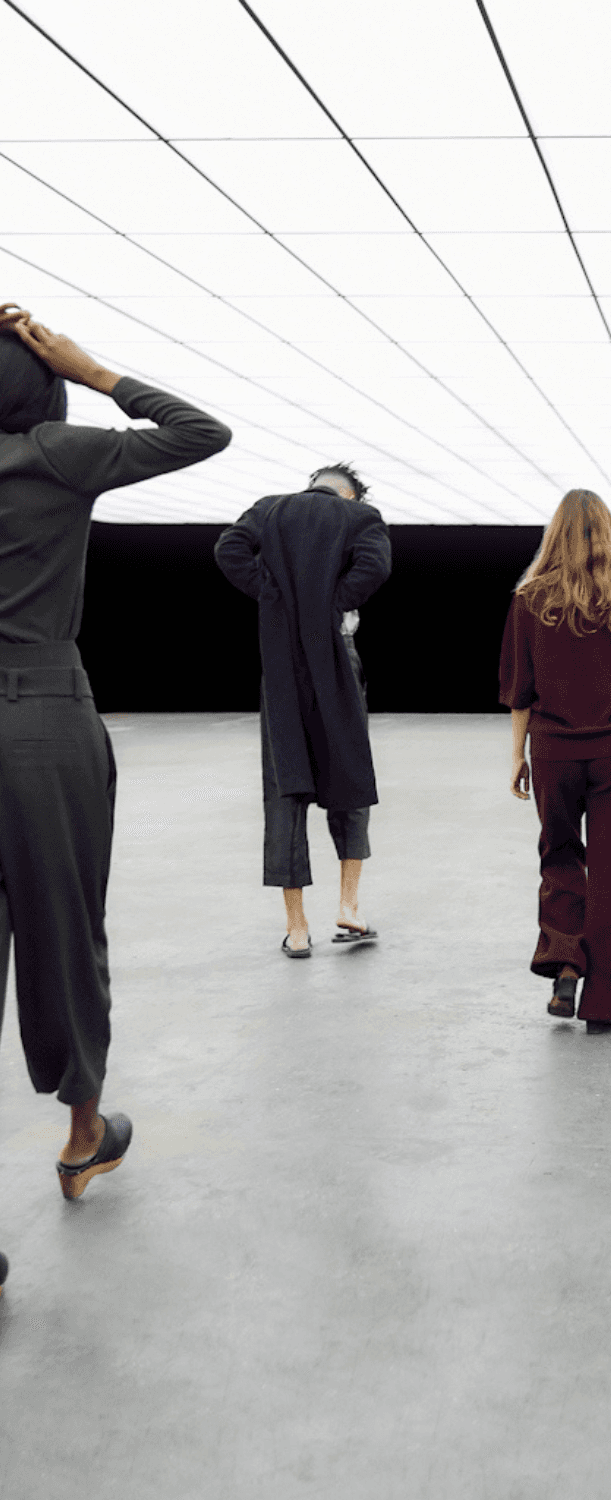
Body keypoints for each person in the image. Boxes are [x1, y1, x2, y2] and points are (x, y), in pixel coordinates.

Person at [0, 301, 231, 1294]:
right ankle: (86, 1126)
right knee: (66, 930)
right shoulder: (58, 454)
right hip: (43, 719)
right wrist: (94, 372)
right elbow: (201, 433)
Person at [499, 489, 611, 1031]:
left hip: (553, 750)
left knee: (560, 857)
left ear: (554, 536)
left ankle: (566, 960)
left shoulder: (529, 600)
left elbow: (519, 691)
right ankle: (607, 1000)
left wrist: (517, 757)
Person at [214, 464, 391, 955]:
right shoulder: (361, 516)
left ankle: (296, 929)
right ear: (350, 493)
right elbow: (375, 567)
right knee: (349, 770)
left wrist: (274, 594)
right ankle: (349, 907)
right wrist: (330, 604)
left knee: (286, 783)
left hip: (282, 662)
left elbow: (228, 549)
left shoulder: (270, 509)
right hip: (335, 655)